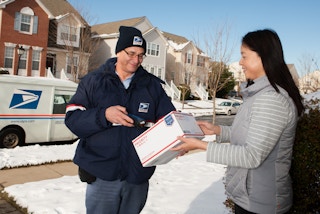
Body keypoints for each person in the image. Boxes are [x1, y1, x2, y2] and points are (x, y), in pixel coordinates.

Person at [172, 29, 304, 214]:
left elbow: (251, 155)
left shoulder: (272, 100)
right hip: (250, 197)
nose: (240, 62)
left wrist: (201, 146)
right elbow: (251, 135)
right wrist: (217, 130)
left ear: (263, 56)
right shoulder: (259, 95)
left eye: (244, 56)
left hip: (262, 202)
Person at [65, 26, 176, 214]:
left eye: (141, 55)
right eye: (131, 53)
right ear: (118, 51)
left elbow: (170, 121)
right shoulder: (93, 82)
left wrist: (179, 135)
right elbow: (73, 120)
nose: (136, 60)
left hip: (137, 177)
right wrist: (104, 115)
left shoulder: (152, 86)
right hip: (102, 176)